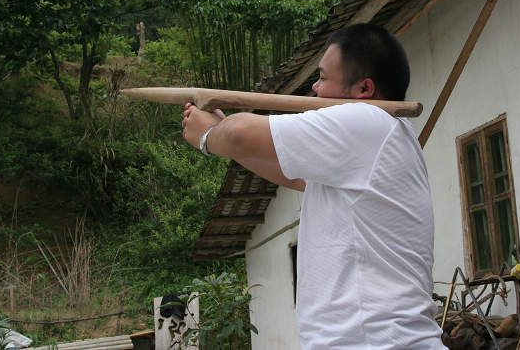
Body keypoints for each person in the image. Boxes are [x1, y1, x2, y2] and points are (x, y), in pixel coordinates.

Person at [182, 23, 445, 349]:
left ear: (363, 89)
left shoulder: (368, 122)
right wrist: (220, 130)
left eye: (322, 77)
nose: (315, 89)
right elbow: (290, 173)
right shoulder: (380, 138)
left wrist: (210, 137)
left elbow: (240, 133)